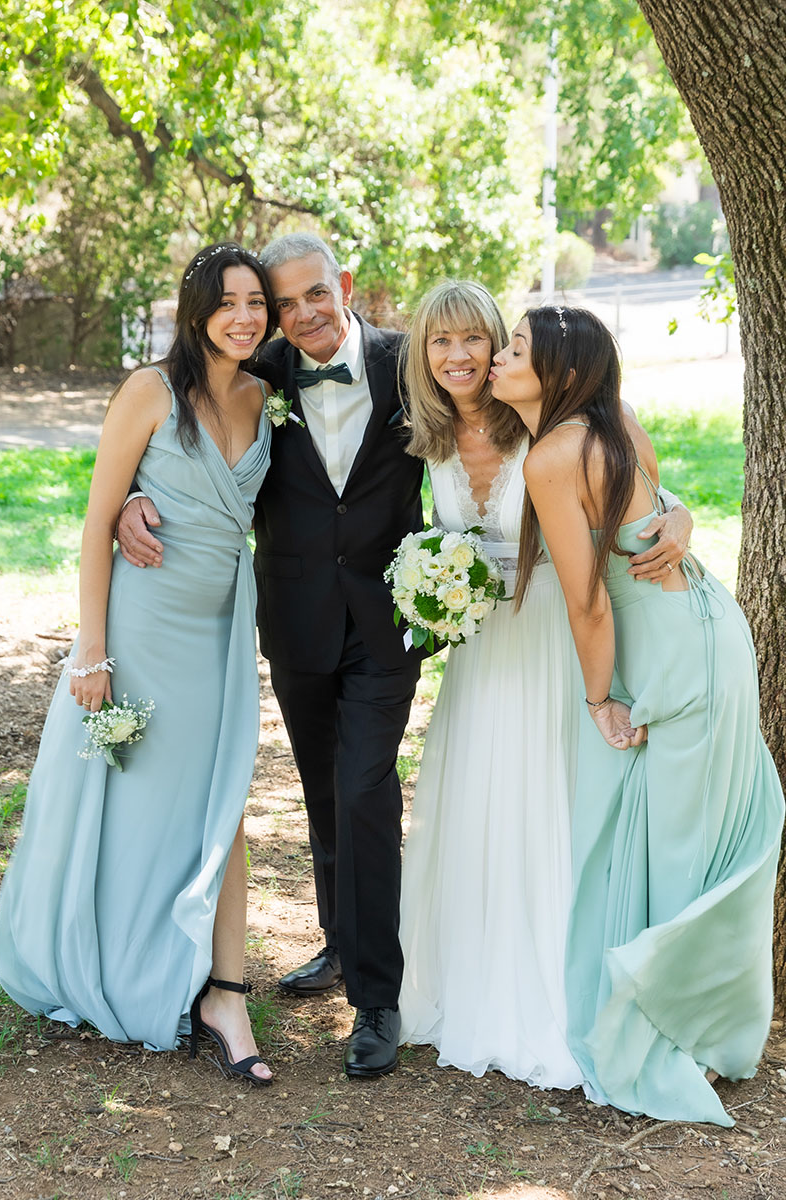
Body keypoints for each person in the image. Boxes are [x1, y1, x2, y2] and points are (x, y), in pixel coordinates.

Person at [117, 233, 426, 1078]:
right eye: (283, 304)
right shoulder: (263, 376)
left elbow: (522, 409)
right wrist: (129, 504)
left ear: (346, 285)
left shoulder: (412, 364)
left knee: (365, 788)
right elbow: (185, 446)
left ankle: (376, 998)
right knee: (325, 791)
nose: (299, 315)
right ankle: (338, 941)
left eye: (312, 295)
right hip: (293, 619)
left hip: (387, 620)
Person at [491, 304, 783, 1124]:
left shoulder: (554, 452)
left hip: (663, 653)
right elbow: (659, 503)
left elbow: (588, 600)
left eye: (518, 349)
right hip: (711, 631)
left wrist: (599, 698)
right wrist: (681, 517)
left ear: (562, 371)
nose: (503, 358)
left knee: (672, 848)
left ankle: (670, 1033)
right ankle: (703, 1026)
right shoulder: (607, 418)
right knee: (690, 841)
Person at [0, 243, 276, 1084]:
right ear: (196, 311)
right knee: (135, 809)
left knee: (217, 802)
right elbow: (95, 521)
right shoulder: (148, 391)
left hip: (224, 631)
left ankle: (222, 991)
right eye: (226, 302)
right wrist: (92, 650)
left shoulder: (267, 395)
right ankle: (123, 966)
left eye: (255, 300)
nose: (244, 316)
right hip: (144, 630)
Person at [397, 282, 692, 1085]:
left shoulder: (555, 421)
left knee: (554, 799)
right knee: (481, 804)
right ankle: (475, 980)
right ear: (422, 355)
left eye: (477, 341)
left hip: (560, 643)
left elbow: (649, 495)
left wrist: (683, 517)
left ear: (503, 348)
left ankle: (562, 991)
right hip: (485, 654)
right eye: (440, 343)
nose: (461, 357)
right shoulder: (427, 442)